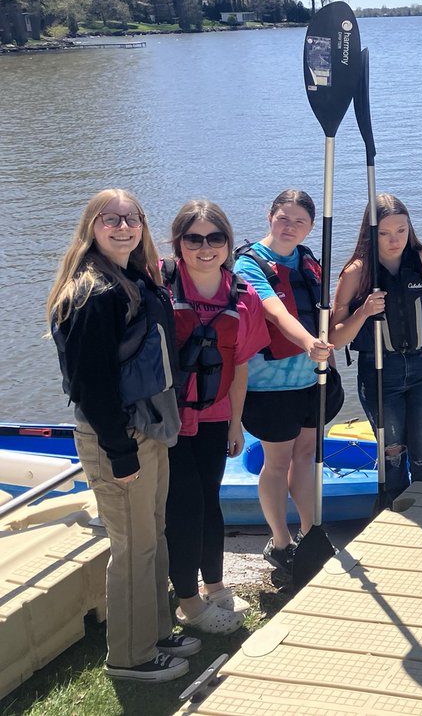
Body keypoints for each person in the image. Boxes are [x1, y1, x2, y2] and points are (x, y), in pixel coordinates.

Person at [47, 189, 198, 682]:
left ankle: (154, 632)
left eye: (132, 218)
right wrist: (119, 451)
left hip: (148, 428)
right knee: (132, 548)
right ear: (91, 226)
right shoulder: (94, 293)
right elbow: (90, 384)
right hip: (118, 437)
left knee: (152, 536)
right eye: (110, 219)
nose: (123, 227)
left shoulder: (134, 277)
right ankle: (130, 657)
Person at [162, 201, 269, 634]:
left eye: (215, 238)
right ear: (178, 243)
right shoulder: (160, 283)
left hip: (214, 416)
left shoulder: (243, 297)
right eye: (194, 239)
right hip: (165, 419)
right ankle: (188, 603)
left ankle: (215, 586)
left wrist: (235, 422)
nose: (205, 248)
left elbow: (240, 367)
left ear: (228, 242)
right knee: (184, 506)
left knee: (209, 501)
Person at [330, 195, 422, 501]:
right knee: (392, 455)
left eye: (401, 231)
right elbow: (335, 339)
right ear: (370, 233)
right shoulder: (356, 273)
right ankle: (392, 511)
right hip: (380, 373)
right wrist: (363, 312)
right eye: (384, 233)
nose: (394, 240)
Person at [233, 190, 333, 573]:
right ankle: (280, 542)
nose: (290, 227)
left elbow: (323, 312)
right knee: (276, 464)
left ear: (310, 227)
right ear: (269, 216)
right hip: (269, 387)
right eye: (283, 218)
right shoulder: (249, 263)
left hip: (311, 381)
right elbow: (275, 311)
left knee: (305, 457)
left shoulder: (308, 260)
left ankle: (310, 532)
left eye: (299, 222)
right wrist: (309, 343)